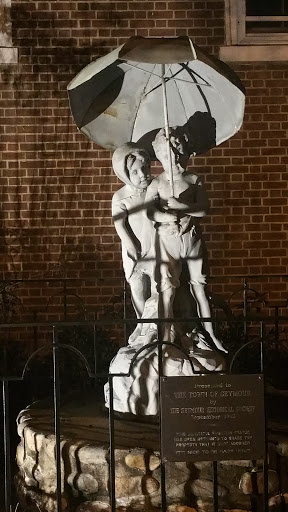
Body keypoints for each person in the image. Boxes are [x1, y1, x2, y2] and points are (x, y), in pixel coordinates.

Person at [145, 127, 227, 353]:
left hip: (192, 239)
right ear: (160, 155)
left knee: (200, 287)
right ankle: (164, 339)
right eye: (167, 152)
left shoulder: (193, 179)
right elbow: (149, 211)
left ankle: (211, 335)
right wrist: (164, 215)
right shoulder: (157, 183)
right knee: (167, 289)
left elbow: (204, 209)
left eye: (177, 149)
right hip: (167, 241)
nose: (172, 156)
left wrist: (183, 207)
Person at [111, 142, 155, 320]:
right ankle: (142, 323)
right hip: (134, 249)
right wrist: (131, 247)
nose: (143, 175)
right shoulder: (121, 197)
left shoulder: (155, 187)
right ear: (125, 174)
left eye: (145, 168)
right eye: (135, 172)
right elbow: (119, 224)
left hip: (154, 246)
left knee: (157, 287)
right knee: (138, 287)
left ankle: (156, 324)